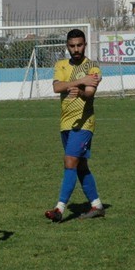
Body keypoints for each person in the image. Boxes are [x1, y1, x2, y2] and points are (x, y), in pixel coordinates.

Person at [44, 28, 106, 222]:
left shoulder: (92, 67)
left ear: (85, 45)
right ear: (67, 46)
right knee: (81, 166)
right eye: (72, 46)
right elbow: (56, 87)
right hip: (65, 123)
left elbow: (89, 92)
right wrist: (80, 81)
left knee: (70, 161)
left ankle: (59, 209)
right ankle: (97, 205)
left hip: (84, 123)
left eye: (79, 45)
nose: (76, 49)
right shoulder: (61, 65)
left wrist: (80, 91)